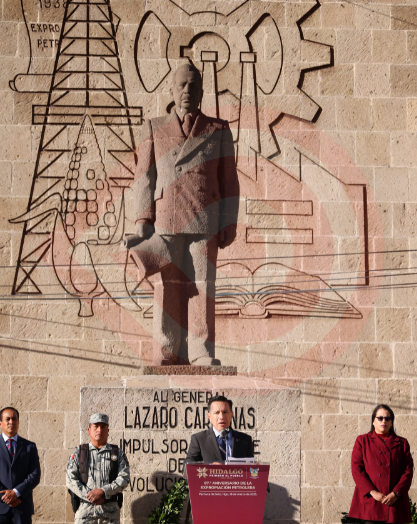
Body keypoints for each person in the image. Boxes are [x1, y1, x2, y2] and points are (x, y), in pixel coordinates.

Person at [128, 61, 240, 367]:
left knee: (202, 286)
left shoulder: (218, 130)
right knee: (168, 286)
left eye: (193, 85)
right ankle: (167, 350)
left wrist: (228, 221)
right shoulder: (155, 128)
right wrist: (142, 220)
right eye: (182, 85)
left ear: (202, 92)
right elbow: (144, 177)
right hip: (166, 219)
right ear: (172, 90)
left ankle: (201, 351)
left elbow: (229, 181)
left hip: (204, 219)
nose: (187, 90)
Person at [348, 404, 414, 524]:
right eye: (380, 418)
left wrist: (396, 493)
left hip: (394, 503)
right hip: (371, 502)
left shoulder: (402, 443)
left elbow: (408, 471)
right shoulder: (362, 441)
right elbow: (357, 470)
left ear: (391, 422)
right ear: (373, 421)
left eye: (387, 418)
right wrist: (373, 492)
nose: (384, 421)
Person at [0, 407, 42, 524]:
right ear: (0, 423)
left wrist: (17, 493)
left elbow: (35, 474)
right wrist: (6, 497)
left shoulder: (29, 446)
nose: (11, 422)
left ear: (18, 422)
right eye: (7, 419)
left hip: (21, 507)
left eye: (14, 419)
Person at [67, 413, 131, 524]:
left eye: (103, 427)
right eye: (96, 426)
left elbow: (124, 478)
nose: (99, 430)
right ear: (89, 430)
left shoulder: (117, 453)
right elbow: (70, 479)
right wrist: (90, 495)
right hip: (85, 513)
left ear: (108, 431)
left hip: (109, 515)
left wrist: (103, 491)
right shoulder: (79, 453)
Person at [186, 395, 254, 463]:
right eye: (216, 413)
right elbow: (187, 466)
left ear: (231, 415)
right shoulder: (199, 439)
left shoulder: (245, 440)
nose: (221, 417)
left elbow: (251, 466)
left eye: (225, 412)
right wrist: (209, 467)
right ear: (209, 416)